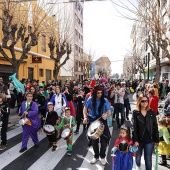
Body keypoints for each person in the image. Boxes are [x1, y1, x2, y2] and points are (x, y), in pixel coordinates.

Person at [83, 84, 111, 165]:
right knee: (94, 141)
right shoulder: (90, 99)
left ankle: (102, 157)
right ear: (95, 93)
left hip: (102, 122)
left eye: (101, 93)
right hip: (93, 122)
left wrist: (106, 115)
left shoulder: (105, 100)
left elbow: (109, 112)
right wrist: (85, 117)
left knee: (104, 141)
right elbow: (85, 108)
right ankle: (96, 156)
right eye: (98, 93)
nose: (100, 94)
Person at [132, 94, 159, 170]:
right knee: (138, 156)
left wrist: (157, 140)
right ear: (139, 102)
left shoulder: (151, 112)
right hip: (139, 140)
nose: (145, 103)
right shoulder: (136, 113)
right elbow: (134, 128)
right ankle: (138, 165)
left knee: (148, 160)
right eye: (142, 101)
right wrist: (136, 140)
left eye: (146, 101)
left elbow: (155, 126)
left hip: (149, 140)